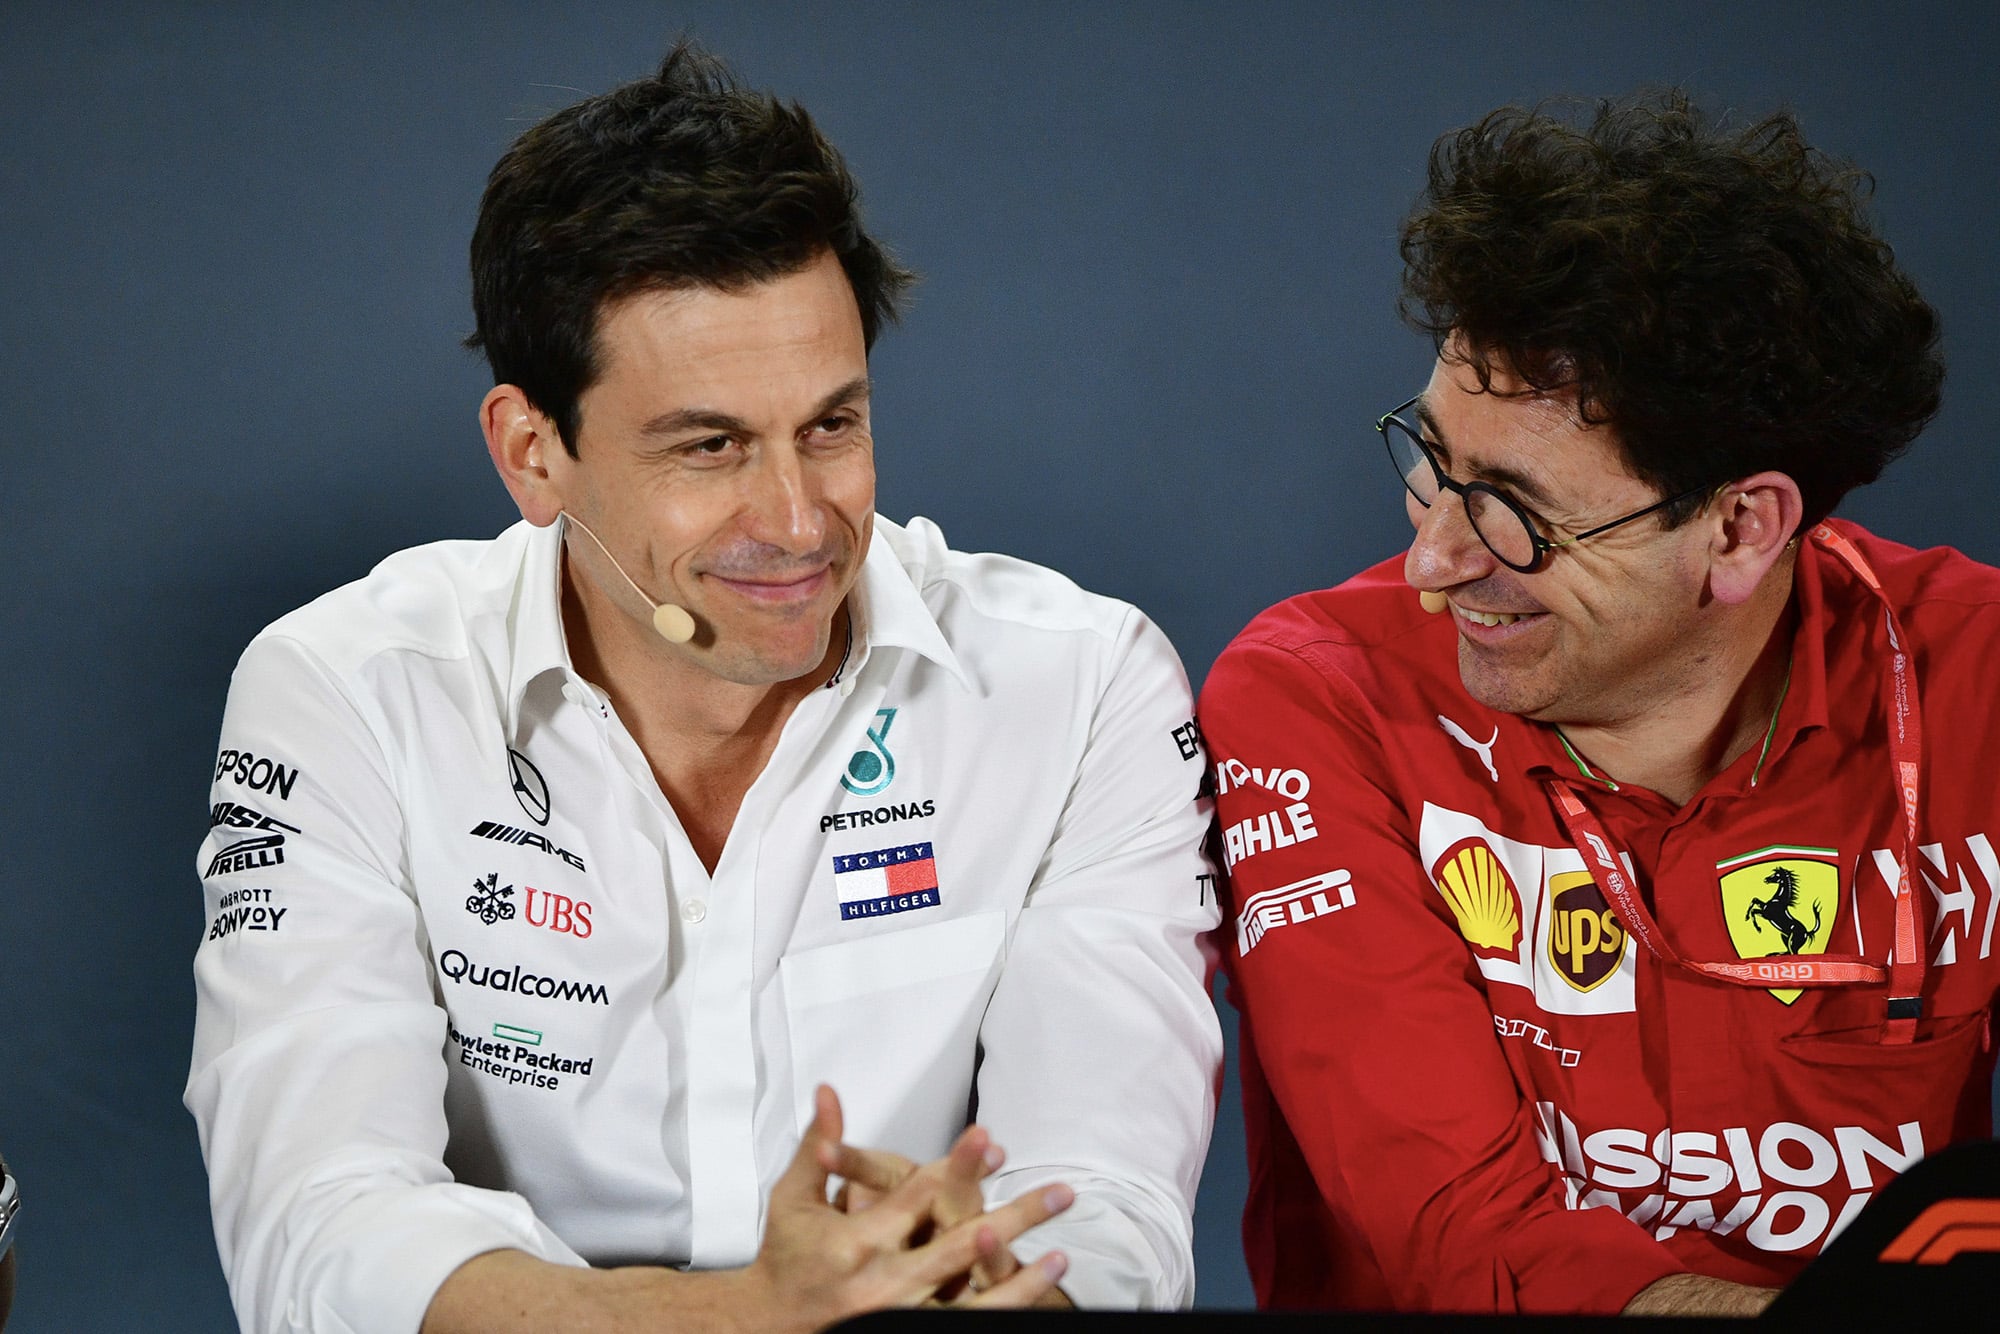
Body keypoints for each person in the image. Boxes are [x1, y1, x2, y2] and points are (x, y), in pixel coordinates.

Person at [187, 43, 1220, 1334]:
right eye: (712, 444)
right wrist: (752, 1313)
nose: (798, 522)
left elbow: (1106, 1213)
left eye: (832, 426)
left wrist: (978, 1281)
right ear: (531, 453)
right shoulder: (343, 692)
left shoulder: (1081, 687)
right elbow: (318, 1226)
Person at [1201, 91, 1999, 1316]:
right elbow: (1460, 1236)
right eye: (1431, 464)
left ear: (1740, 526)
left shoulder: (1974, 674)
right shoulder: (1316, 696)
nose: (1430, 562)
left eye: (1515, 512)